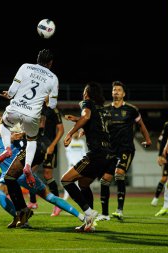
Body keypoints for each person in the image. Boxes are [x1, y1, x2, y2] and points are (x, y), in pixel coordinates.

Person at [0, 112, 87, 229]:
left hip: (23, 173)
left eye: (0, 119)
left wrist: (21, 136)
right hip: (7, 175)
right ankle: (20, 218)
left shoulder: (16, 132)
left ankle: (82, 216)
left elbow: (31, 144)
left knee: (49, 197)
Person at [0, 49, 59, 189]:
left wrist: (10, 95)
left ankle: (7, 148)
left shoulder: (25, 67)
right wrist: (44, 99)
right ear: (50, 63)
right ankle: (28, 165)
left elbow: (12, 90)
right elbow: (52, 104)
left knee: (4, 125)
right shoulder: (53, 78)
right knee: (31, 140)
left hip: (16, 108)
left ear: (37, 58)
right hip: (32, 114)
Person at [61, 81, 115, 232]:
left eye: (85, 91)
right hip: (108, 154)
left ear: (87, 93)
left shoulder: (87, 103)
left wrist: (70, 132)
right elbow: (92, 121)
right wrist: (78, 120)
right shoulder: (104, 110)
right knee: (83, 185)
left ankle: (88, 213)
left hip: (96, 153)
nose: (83, 93)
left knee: (65, 180)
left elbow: (86, 116)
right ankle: (89, 224)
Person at [97, 81, 152, 221]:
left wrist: (148, 139)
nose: (116, 92)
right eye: (114, 90)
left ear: (123, 94)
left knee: (119, 174)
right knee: (104, 180)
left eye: (119, 90)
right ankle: (104, 214)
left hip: (126, 148)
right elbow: (98, 126)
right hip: (111, 150)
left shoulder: (131, 109)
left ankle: (119, 210)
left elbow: (141, 125)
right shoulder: (105, 110)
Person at [27, 100, 64, 217]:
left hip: (49, 145)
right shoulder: (36, 105)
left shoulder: (53, 109)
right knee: (28, 172)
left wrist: (52, 145)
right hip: (37, 144)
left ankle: (58, 204)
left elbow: (61, 129)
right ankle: (33, 202)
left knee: (48, 175)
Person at [63, 131, 87, 201]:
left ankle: (80, 198)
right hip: (72, 165)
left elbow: (84, 154)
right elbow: (68, 154)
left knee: (80, 182)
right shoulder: (70, 142)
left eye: (77, 133)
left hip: (80, 166)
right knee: (66, 180)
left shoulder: (81, 142)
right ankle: (65, 197)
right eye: (74, 133)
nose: (76, 134)